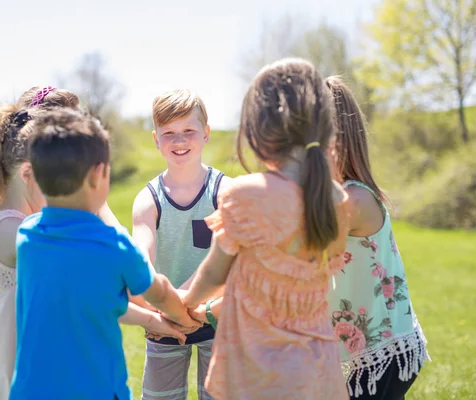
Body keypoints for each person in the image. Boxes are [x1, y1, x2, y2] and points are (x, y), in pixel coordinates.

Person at [0, 87, 184, 400]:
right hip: (47, 375)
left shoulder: (32, 234)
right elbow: (126, 284)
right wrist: (181, 310)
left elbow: (84, 295)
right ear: (33, 171)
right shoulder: (26, 235)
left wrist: (153, 319)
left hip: (24, 378)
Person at [180, 58, 351, 399]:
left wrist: (188, 302)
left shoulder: (244, 195)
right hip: (317, 371)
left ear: (258, 130)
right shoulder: (338, 200)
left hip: (257, 372)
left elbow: (215, 273)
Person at [325, 76, 429, 400]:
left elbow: (306, 260)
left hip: (384, 352)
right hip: (373, 348)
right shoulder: (341, 194)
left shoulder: (351, 200)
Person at [131, 89, 230, 400]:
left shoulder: (225, 192)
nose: (179, 141)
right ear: (156, 139)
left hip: (218, 318)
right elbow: (141, 265)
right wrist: (167, 310)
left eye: (189, 131)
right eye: (169, 133)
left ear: (206, 134)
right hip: (164, 322)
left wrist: (187, 305)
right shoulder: (148, 200)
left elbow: (226, 262)